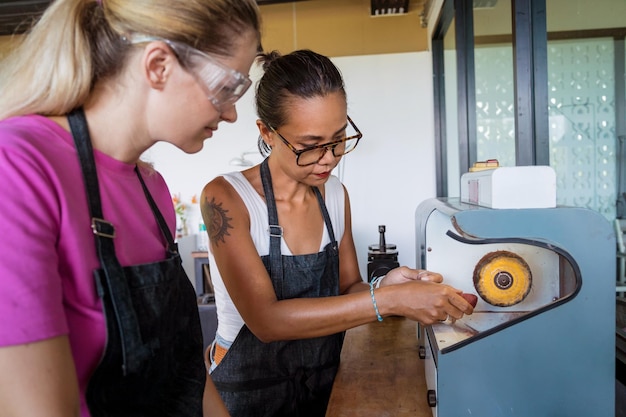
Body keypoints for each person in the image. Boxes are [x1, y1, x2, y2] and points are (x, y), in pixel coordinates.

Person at [0, 0, 261, 416]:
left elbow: (182, 370)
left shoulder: (152, 189)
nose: (231, 113)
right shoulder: (16, 168)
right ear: (158, 65)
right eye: (229, 87)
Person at [199, 49, 475, 417]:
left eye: (339, 138)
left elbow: (349, 288)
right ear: (266, 131)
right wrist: (390, 302)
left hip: (324, 381)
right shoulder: (228, 198)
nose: (329, 158)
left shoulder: (333, 193)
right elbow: (266, 321)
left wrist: (387, 287)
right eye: (310, 146)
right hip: (249, 392)